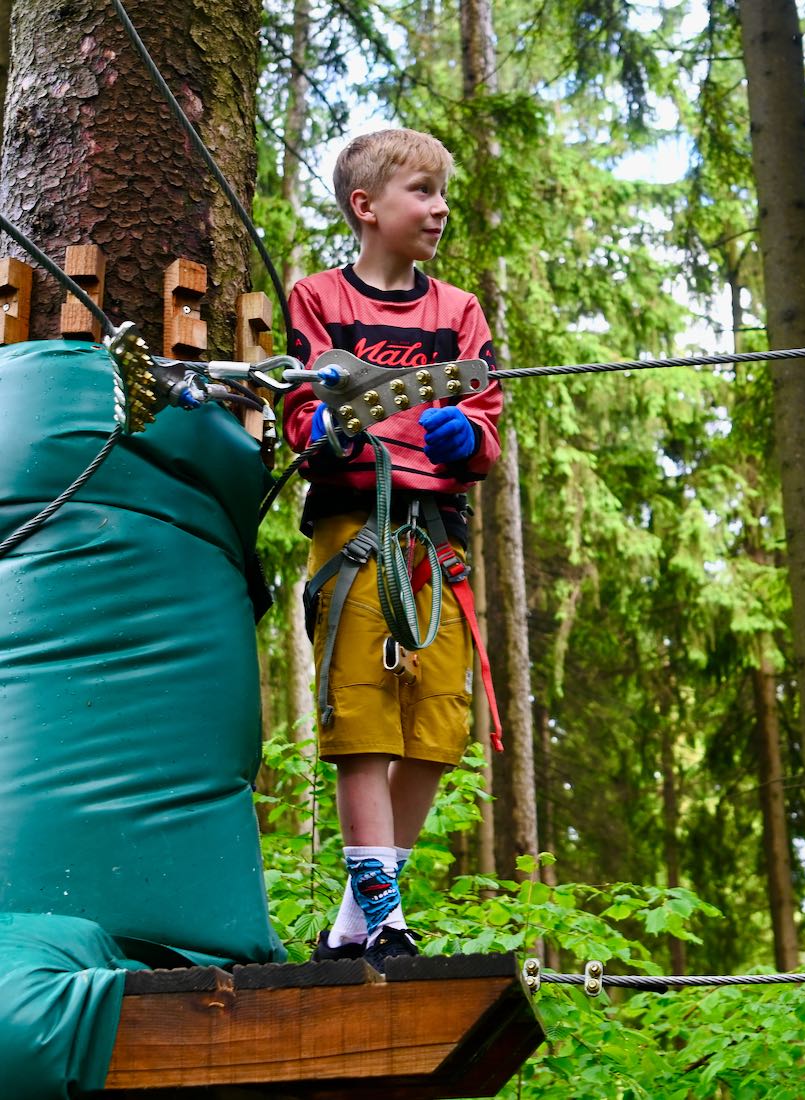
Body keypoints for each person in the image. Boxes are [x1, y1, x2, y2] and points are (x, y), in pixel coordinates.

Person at [282, 128, 503, 970]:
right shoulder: (317, 299)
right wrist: (324, 425)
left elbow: (485, 417)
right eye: (422, 191)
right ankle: (384, 919)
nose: (440, 208)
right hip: (353, 525)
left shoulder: (459, 313)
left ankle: (355, 922)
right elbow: (299, 409)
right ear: (366, 206)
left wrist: (466, 439)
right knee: (362, 715)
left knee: (438, 726)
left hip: (435, 536)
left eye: (443, 193)